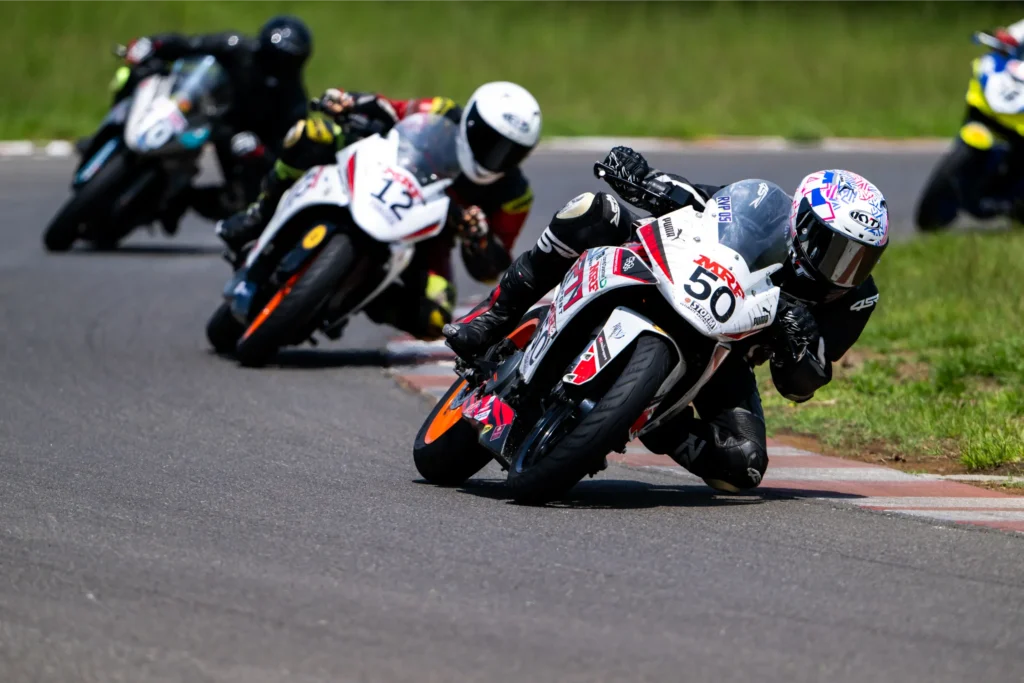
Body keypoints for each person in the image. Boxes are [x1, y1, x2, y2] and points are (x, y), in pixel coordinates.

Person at [444, 146, 889, 492]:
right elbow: (700, 200)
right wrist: (640, 177)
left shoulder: (854, 301)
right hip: (667, 271)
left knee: (743, 468)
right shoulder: (765, 207)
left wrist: (799, 342)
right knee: (591, 210)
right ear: (803, 224)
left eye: (860, 258)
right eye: (836, 249)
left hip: (726, 352)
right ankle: (493, 315)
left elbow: (799, 385)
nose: (843, 270)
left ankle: (655, 419)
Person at [216, 81, 541, 341]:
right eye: (489, 140)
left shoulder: (515, 195)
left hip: (429, 235)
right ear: (470, 120)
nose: (495, 156)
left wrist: (478, 238)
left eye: (509, 151)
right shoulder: (440, 112)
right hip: (384, 173)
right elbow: (390, 109)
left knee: (435, 317)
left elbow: (490, 269)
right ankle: (259, 212)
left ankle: (364, 294)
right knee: (309, 133)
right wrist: (348, 101)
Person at [86, 16, 313, 234]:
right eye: (270, 58)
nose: (274, 67)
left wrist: (259, 151)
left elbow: (285, 154)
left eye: (284, 64)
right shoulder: (234, 46)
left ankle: (180, 199)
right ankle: (109, 131)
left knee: (244, 199)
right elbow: (190, 44)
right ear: (260, 47)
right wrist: (153, 44)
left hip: (236, 139)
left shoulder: (294, 102)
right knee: (143, 72)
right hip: (201, 108)